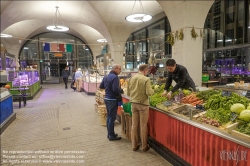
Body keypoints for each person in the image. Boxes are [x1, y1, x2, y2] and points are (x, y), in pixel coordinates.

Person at [127, 64, 154, 152]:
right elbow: (149, 93)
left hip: (133, 103)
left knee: (134, 125)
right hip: (143, 105)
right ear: (145, 70)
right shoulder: (146, 79)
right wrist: (153, 90)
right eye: (147, 71)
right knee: (143, 126)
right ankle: (144, 146)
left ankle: (134, 145)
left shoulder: (131, 78)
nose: (147, 73)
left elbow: (128, 92)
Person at [99, 64, 123, 141]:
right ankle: (111, 135)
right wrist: (121, 91)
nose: (120, 71)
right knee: (112, 118)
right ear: (115, 69)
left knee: (109, 117)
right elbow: (115, 89)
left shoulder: (106, 76)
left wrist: (107, 88)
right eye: (119, 69)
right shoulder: (115, 77)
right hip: (112, 99)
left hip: (107, 98)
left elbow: (101, 86)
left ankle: (109, 133)